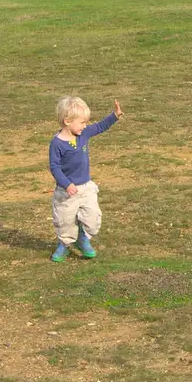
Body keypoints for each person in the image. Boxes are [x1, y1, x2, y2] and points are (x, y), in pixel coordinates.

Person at [48, 96, 123, 262]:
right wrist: (66, 184)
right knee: (65, 220)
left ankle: (83, 237)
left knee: (92, 217)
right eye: (82, 122)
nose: (85, 126)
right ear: (67, 121)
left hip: (86, 187)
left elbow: (100, 126)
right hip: (66, 192)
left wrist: (115, 115)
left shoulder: (83, 134)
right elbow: (54, 167)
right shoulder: (57, 143)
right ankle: (65, 245)